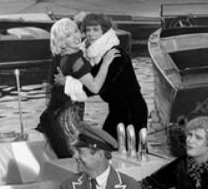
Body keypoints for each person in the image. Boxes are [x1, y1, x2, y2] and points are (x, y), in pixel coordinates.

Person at [56, 12, 148, 141]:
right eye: (88, 30)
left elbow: (95, 87)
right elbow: (88, 77)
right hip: (117, 110)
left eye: (95, 30)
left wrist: (67, 84)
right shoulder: (95, 54)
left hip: (132, 111)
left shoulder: (115, 55)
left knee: (119, 146)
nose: (90, 34)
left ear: (104, 31)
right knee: (108, 145)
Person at [38, 17, 120, 158]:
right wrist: (106, 63)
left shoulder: (59, 57)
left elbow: (49, 95)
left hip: (56, 119)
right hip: (70, 124)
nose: (76, 37)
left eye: (76, 31)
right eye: (68, 36)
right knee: (110, 145)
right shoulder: (76, 61)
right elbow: (95, 87)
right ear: (62, 42)